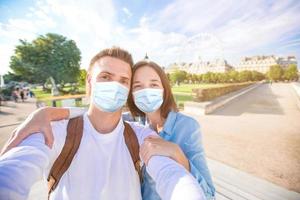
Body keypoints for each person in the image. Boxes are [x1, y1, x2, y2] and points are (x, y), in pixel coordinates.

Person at [0, 47, 205, 200]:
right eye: (105, 77)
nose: (115, 86)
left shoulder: (140, 135)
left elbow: (173, 176)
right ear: (89, 82)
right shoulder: (53, 130)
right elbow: (15, 169)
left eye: (124, 80)